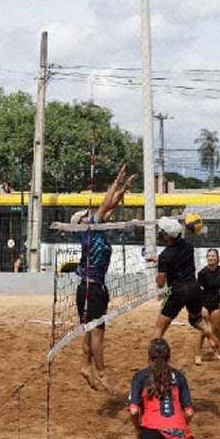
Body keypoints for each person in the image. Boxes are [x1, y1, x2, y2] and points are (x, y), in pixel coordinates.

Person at [72, 164, 137, 394]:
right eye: (87, 216)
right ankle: (101, 372)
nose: (91, 216)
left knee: (90, 330)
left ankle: (85, 365)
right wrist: (118, 179)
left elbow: (111, 206)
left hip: (92, 288)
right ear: (82, 222)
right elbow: (105, 203)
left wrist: (124, 189)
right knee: (97, 331)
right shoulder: (89, 230)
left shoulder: (95, 230)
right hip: (91, 289)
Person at [147, 216, 219, 350]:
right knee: (195, 320)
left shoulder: (166, 256)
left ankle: (153, 360)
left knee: (159, 329)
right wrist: (160, 260)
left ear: (168, 236)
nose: (162, 233)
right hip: (194, 288)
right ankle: (208, 332)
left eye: (163, 232)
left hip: (177, 292)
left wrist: (160, 268)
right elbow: (176, 258)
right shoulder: (188, 245)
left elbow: (161, 284)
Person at [194, 248, 220, 364]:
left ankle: (216, 353)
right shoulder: (202, 273)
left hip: (216, 304)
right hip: (204, 305)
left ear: (217, 258)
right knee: (203, 331)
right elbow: (197, 291)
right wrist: (201, 306)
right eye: (208, 256)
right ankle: (197, 355)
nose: (210, 258)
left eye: (213, 256)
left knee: (216, 330)